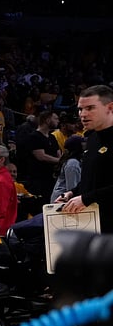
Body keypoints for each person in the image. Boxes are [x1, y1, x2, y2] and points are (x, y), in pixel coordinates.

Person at [58, 84, 113, 230]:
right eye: (80, 109)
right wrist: (72, 193)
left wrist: (86, 198)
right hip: (93, 224)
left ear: (110, 108)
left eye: (90, 108)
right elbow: (92, 179)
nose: (82, 114)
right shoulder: (92, 138)